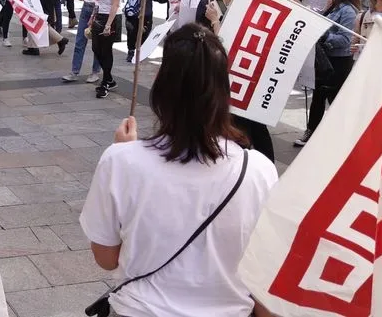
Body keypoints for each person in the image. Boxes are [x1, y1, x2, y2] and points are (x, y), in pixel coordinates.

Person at [79, 23, 277, 317]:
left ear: (162, 88)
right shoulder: (259, 170)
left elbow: (106, 258)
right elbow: (265, 274)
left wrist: (124, 154)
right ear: (224, 91)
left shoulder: (120, 161)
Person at [203, 0, 275, 163]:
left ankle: (244, 164)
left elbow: (226, 49)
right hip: (251, 76)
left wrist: (215, 21)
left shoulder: (246, 9)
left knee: (242, 124)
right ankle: (266, 166)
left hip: (240, 77)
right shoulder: (261, 7)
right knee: (256, 126)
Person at [295, 0, 360, 147]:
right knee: (318, 96)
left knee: (335, 99)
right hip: (325, 58)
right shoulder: (335, 7)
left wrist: (324, 36)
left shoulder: (348, 11)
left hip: (338, 61)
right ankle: (312, 131)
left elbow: (345, 39)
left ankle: (344, 136)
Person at [62, 0, 102, 83]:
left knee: (97, 44)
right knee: (80, 41)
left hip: (98, 10)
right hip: (86, 9)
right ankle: (74, 71)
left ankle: (95, 72)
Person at [91, 0, 124, 98]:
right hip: (99, 15)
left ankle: (105, 83)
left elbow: (115, 3)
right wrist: (93, 16)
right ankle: (109, 79)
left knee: (106, 50)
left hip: (110, 18)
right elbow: (97, 0)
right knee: (96, 48)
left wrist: (108, 24)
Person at [123, 0, 153, 64]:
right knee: (131, 31)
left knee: (145, 32)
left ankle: (140, 52)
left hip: (146, 10)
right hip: (131, 8)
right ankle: (131, 51)